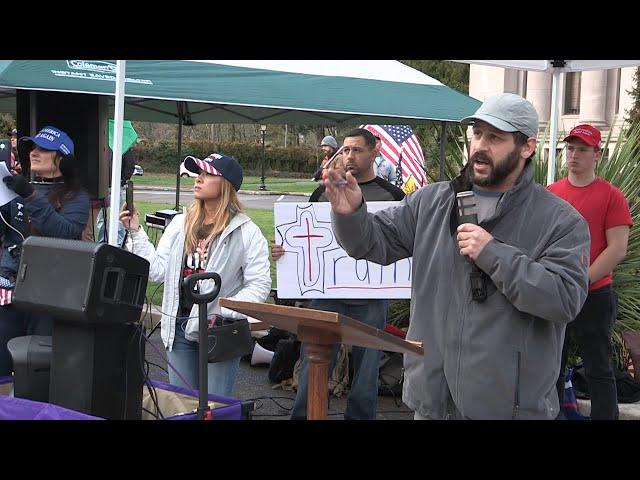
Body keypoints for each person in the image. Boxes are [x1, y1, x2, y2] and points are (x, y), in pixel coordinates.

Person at [322, 93, 591, 419]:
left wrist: (493, 254)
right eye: (477, 133)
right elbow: (371, 243)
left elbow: (564, 298)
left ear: (527, 147)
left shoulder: (560, 220)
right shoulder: (431, 202)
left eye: (495, 137)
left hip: (509, 408)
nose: (480, 145)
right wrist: (351, 215)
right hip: (432, 401)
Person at [272, 128, 405, 419]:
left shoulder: (393, 195)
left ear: (375, 151)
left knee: (367, 372)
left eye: (356, 150)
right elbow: (302, 233)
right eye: (344, 149)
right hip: (326, 295)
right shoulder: (323, 192)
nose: (349, 156)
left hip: (371, 296)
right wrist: (284, 251)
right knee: (313, 363)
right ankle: (306, 415)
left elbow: (401, 240)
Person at [120, 152, 271, 396]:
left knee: (214, 405)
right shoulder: (181, 223)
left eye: (207, 174)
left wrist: (223, 312)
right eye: (198, 174)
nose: (197, 179)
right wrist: (136, 232)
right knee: (183, 403)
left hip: (219, 331)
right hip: (179, 327)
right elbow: (157, 270)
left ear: (226, 185)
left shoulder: (247, 232)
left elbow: (259, 285)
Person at [548, 124, 632, 420]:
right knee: (550, 368)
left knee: (598, 368)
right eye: (570, 148)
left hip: (594, 294)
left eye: (582, 149)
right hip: (557, 293)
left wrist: (580, 280)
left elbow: (617, 249)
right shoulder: (551, 193)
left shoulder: (612, 196)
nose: (574, 155)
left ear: (597, 154)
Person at [0, 125, 90, 376]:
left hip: (48, 297)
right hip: (9, 291)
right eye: (33, 147)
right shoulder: (15, 190)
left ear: (61, 159)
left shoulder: (77, 198)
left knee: (37, 372)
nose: (34, 153)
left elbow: (63, 233)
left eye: (44, 149)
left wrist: (30, 195)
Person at [94, 147, 136, 245]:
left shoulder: (122, 144)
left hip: (115, 187)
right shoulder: (102, 144)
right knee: (102, 218)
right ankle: (104, 243)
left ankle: (117, 244)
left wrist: (122, 180)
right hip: (102, 187)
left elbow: (130, 165)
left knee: (118, 217)